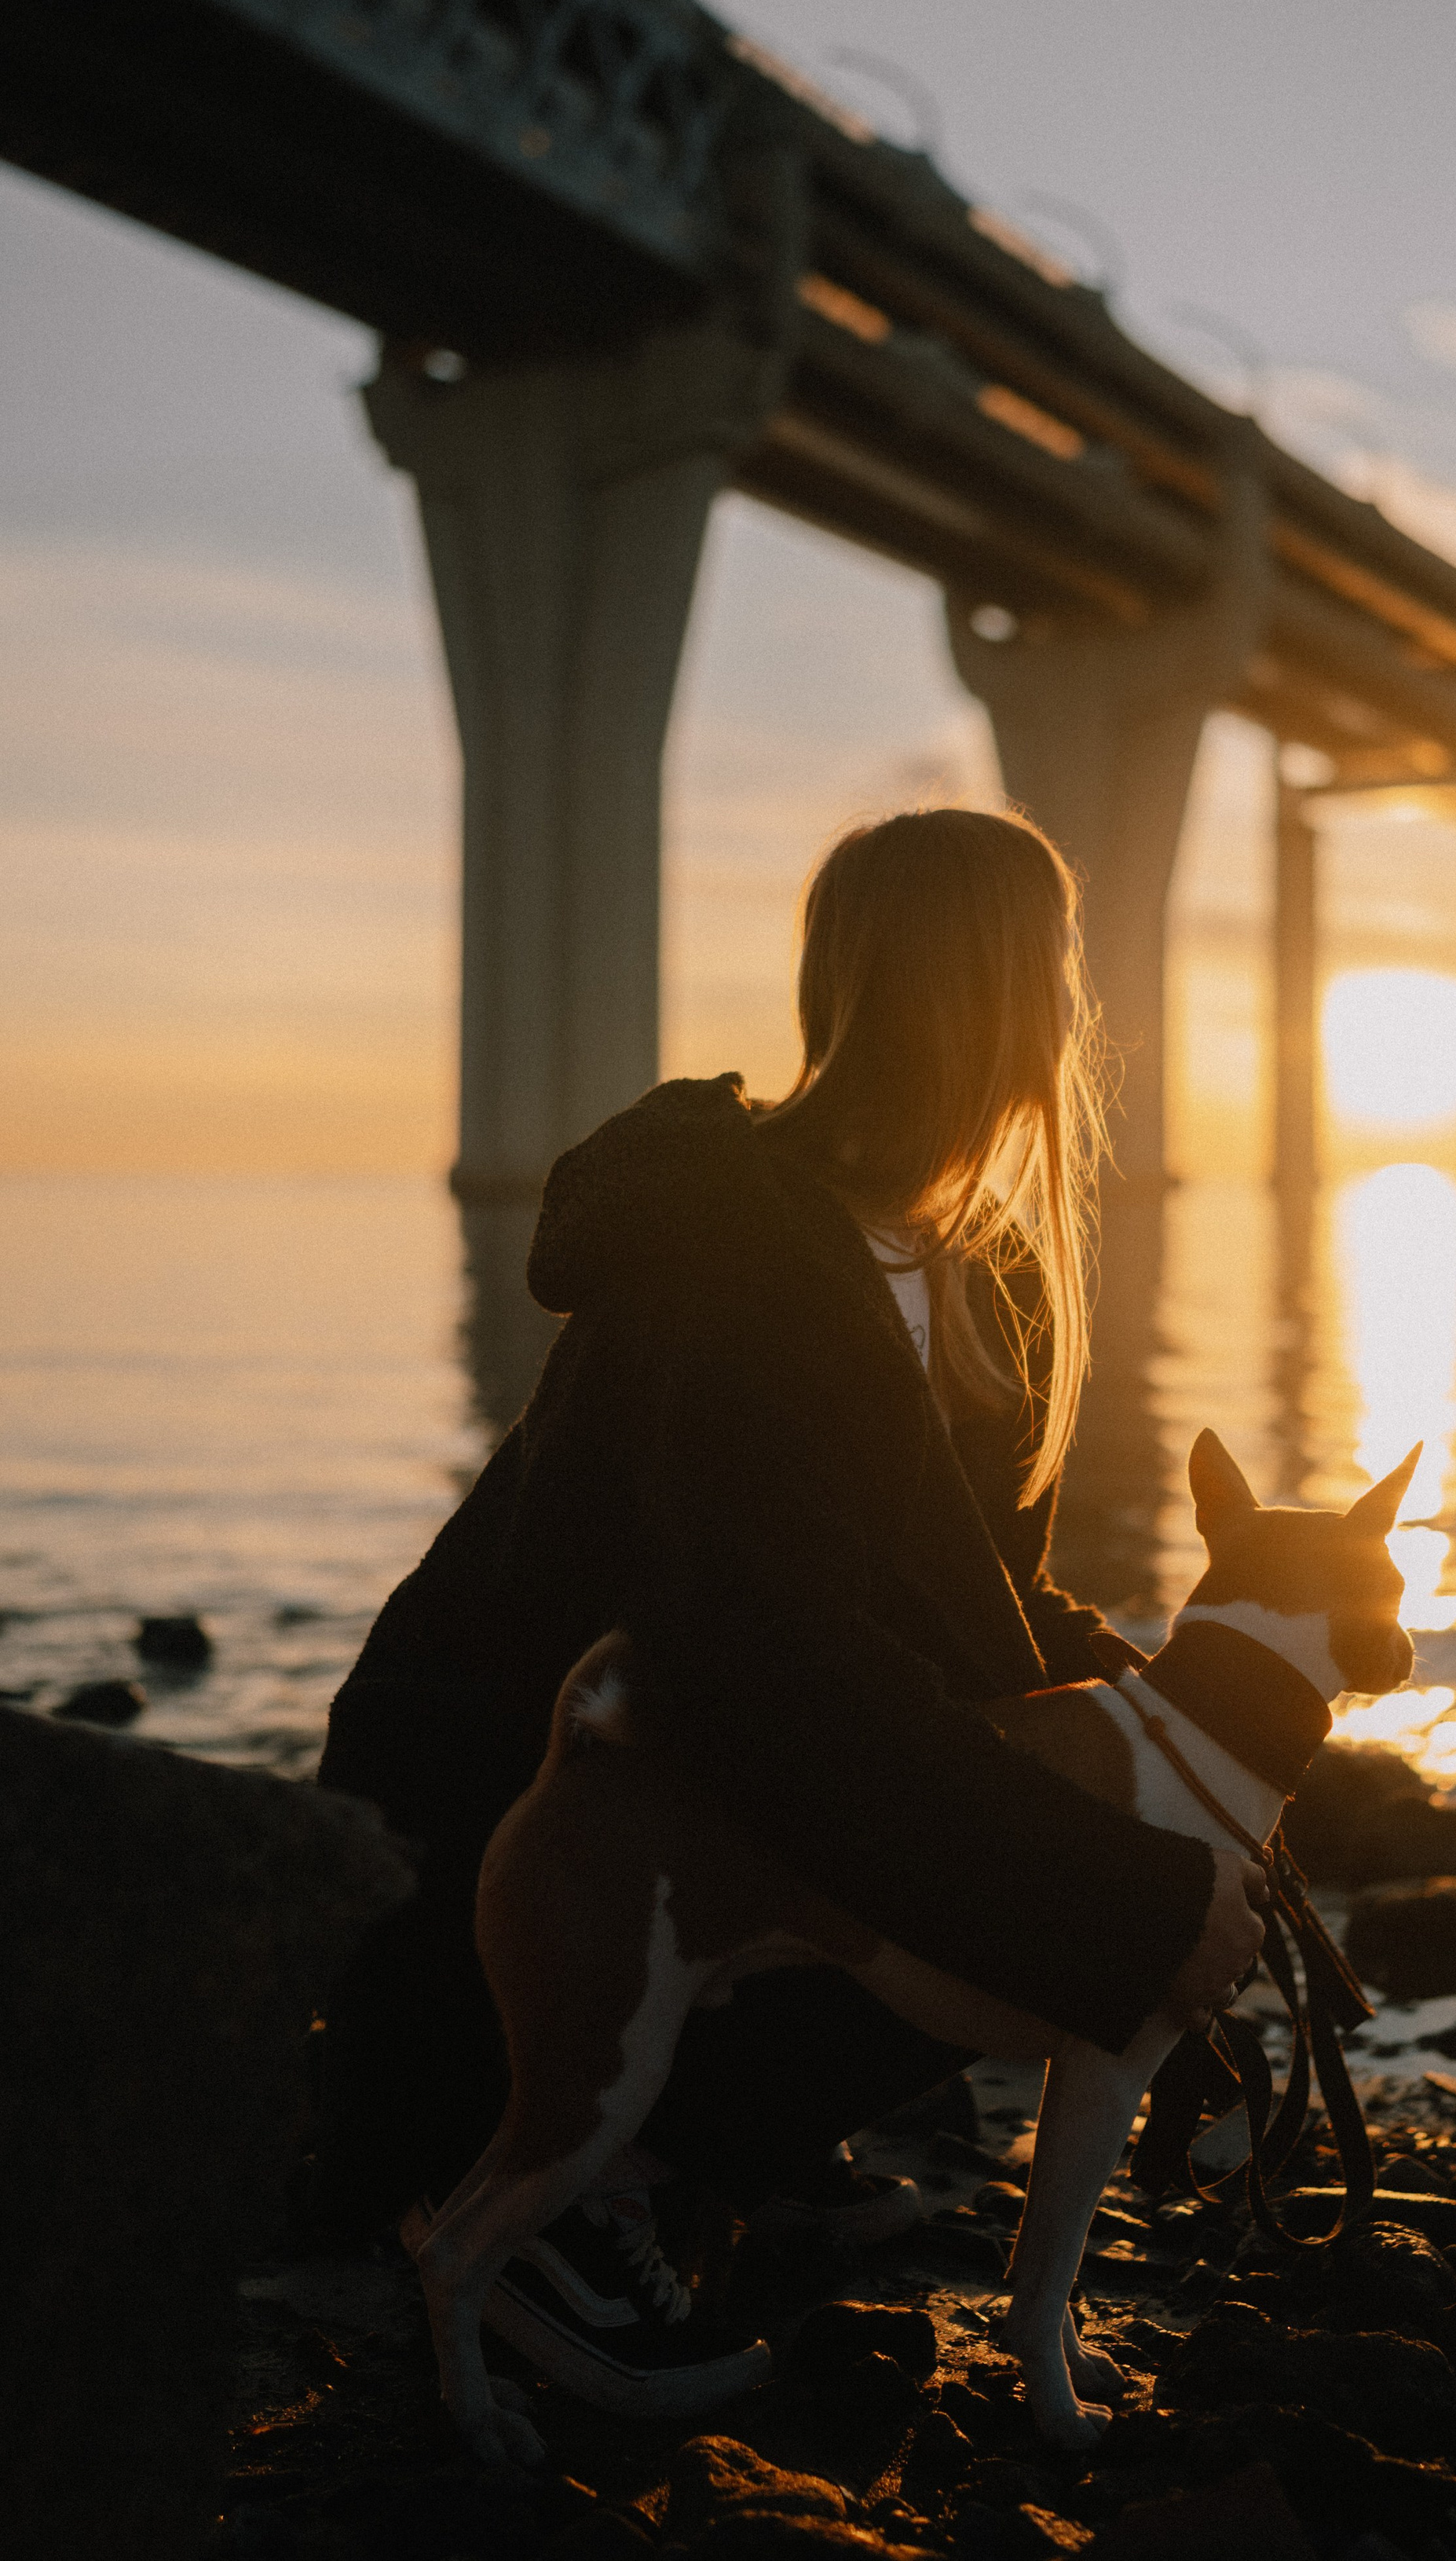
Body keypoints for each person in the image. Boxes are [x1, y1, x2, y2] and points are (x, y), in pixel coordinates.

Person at [316, 804, 1268, 2408]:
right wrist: (1130, 1897)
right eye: (1054, 969)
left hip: (705, 1771)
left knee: (1105, 1800)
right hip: (520, 1824)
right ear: (1000, 997)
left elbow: (982, 1612)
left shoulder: (983, 1275)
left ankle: (717, 2140)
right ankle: (553, 2198)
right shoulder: (733, 1258)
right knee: (1043, 1857)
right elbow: (769, 1668)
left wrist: (1203, 1751)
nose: (1070, 1007)